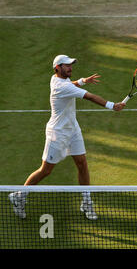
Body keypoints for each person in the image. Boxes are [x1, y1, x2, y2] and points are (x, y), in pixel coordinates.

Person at [9, 55, 126, 220]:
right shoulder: (62, 87)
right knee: (46, 170)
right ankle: (19, 196)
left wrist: (83, 80)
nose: (70, 68)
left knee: (82, 163)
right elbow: (90, 97)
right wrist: (112, 106)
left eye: (71, 65)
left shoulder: (56, 80)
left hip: (73, 129)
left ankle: (86, 201)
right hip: (57, 134)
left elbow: (71, 84)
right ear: (57, 68)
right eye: (67, 66)